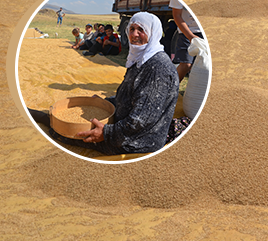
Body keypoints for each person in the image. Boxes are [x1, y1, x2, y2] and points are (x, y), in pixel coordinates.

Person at [35, 12, 180, 155]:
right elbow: (129, 95)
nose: (134, 35)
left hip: (139, 140)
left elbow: (141, 121)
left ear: (153, 33)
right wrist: (106, 103)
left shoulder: (157, 67)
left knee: (67, 134)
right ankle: (42, 117)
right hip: (127, 126)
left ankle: (41, 118)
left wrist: (106, 133)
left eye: (141, 30)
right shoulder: (141, 59)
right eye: (131, 29)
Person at [169, 0, 203, 81]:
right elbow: (177, 15)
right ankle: (171, 88)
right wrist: (190, 36)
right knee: (186, 64)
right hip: (188, 32)